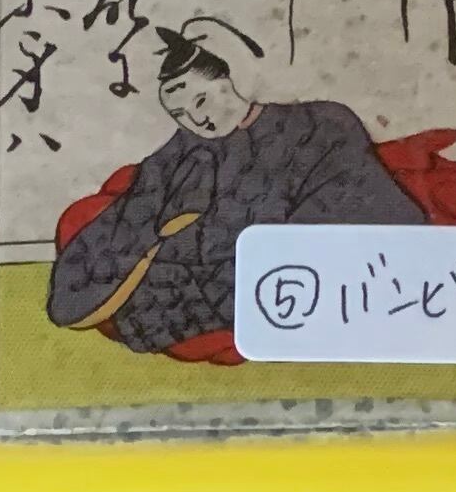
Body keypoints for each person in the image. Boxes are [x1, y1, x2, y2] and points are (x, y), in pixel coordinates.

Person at [45, 22, 424, 358]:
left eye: (201, 100)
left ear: (227, 82)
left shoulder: (317, 123)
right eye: (180, 115)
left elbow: (344, 192)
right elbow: (137, 207)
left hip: (308, 251)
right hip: (232, 260)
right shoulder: (186, 146)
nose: (198, 119)